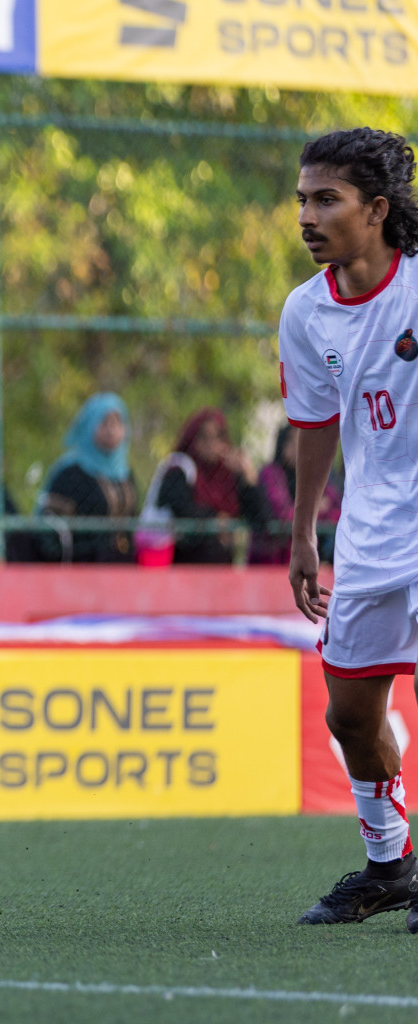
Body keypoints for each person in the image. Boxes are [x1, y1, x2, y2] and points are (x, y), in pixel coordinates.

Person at [281, 128, 418, 927]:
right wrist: (303, 533)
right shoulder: (305, 312)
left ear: (376, 209)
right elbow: (315, 420)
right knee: (349, 716)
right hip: (368, 536)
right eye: (302, 199)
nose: (307, 215)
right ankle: (389, 863)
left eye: (325, 199)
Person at [153, 408, 267, 564]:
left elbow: (261, 518)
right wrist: (215, 520)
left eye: (218, 437)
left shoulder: (229, 475)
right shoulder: (181, 469)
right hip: (186, 566)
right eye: (204, 437)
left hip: (222, 568)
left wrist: (248, 476)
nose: (211, 444)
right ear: (193, 438)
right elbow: (180, 509)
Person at [37, 393, 138, 563]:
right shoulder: (70, 473)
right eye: (104, 422)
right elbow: (49, 532)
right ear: (90, 424)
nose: (111, 430)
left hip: (121, 569)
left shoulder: (125, 474)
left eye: (117, 422)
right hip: (81, 569)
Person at [252, 423, 340, 565]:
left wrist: (311, 512)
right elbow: (282, 514)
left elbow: (336, 510)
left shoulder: (317, 473)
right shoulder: (271, 473)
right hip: (274, 557)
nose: (301, 447)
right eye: (295, 441)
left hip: (313, 554)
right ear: (284, 445)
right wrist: (316, 509)